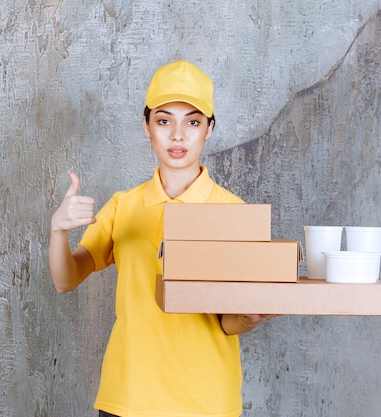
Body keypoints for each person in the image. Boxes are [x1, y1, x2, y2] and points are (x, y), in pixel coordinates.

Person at [49, 60, 272, 417]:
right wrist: (58, 230)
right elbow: (65, 279)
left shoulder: (233, 211)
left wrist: (251, 317)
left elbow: (228, 321)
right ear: (147, 125)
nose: (178, 136)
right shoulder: (123, 206)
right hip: (128, 398)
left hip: (206, 400)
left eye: (193, 122)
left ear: (209, 129)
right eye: (164, 121)